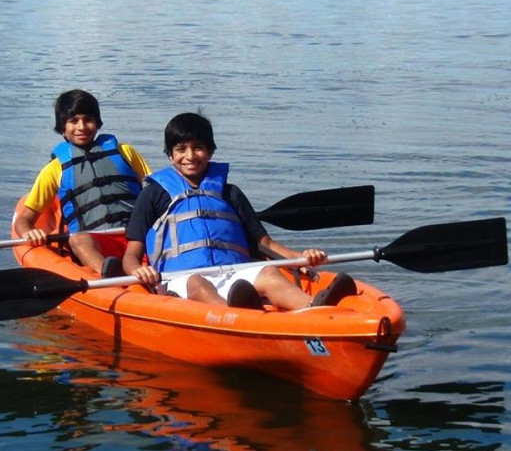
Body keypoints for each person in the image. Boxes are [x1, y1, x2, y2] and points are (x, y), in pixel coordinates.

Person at [122, 112, 354, 310]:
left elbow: (267, 245)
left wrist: (302, 257)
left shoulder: (230, 193)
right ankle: (236, 317)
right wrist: (138, 271)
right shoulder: (153, 194)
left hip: (235, 271)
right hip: (180, 278)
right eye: (181, 149)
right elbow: (131, 254)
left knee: (269, 274)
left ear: (211, 152)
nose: (190, 156)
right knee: (198, 284)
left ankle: (313, 308)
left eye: (198, 148)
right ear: (170, 156)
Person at [14, 89, 152, 277]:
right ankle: (111, 275)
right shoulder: (54, 169)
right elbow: (24, 220)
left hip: (136, 236)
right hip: (95, 243)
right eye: (73, 121)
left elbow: (156, 191)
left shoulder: (125, 152)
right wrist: (29, 233)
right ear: (62, 128)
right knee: (78, 240)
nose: (81, 126)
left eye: (88, 119)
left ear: (97, 123)